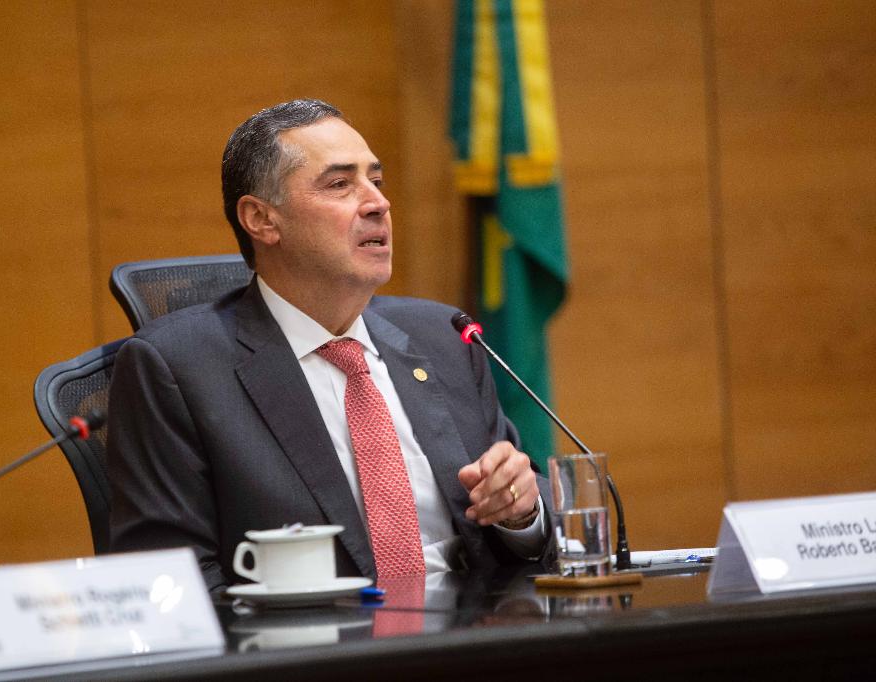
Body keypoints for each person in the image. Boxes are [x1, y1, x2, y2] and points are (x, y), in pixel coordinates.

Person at [107, 99, 553, 590]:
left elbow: (528, 531)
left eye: (376, 181)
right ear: (261, 219)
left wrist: (521, 514)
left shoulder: (444, 337)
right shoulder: (177, 369)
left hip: (479, 628)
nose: (378, 203)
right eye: (340, 184)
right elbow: (174, 584)